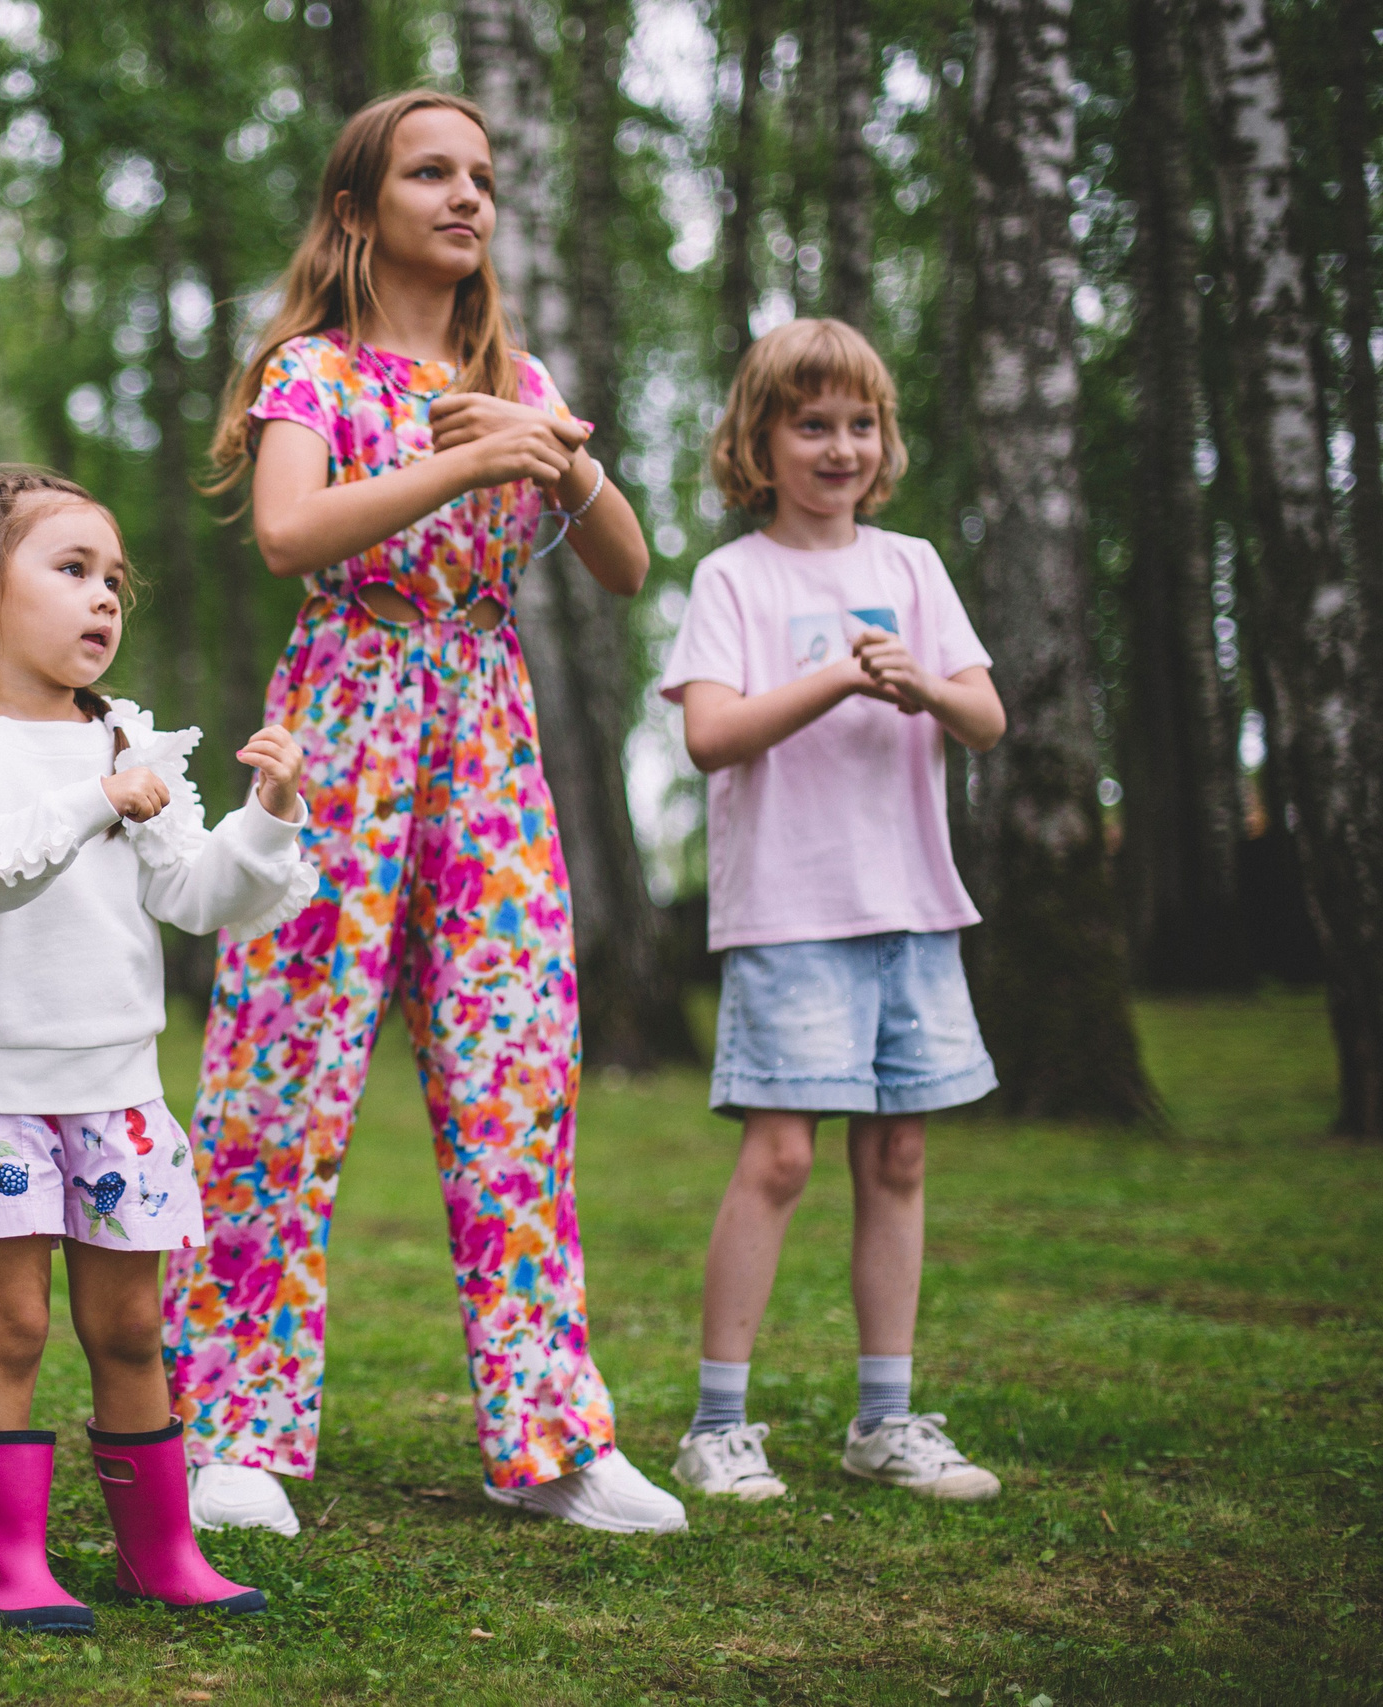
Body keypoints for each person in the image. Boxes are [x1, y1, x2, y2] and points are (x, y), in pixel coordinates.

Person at [166, 90, 685, 1538]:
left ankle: (553, 1439)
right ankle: (234, 1430)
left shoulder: (518, 372)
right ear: (358, 209)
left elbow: (630, 564)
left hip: (487, 731)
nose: (469, 197)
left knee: (517, 1070)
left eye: (484, 177)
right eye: (432, 172)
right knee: (283, 1073)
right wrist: (463, 457)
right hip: (340, 723)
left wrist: (550, 443)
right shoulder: (312, 370)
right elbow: (288, 533)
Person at [0, 466, 317, 1633]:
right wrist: (90, 802)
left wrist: (266, 819)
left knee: (128, 1327)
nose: (104, 598)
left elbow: (196, 893)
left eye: (114, 578)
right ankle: (6, 1565)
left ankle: (160, 1554)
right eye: (71, 570)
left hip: (114, 1092)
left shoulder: (129, 736)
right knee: (11, 1326)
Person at [658, 315, 1007, 1506]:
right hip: (787, 914)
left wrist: (924, 686)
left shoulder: (910, 566)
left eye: (860, 424)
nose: (839, 446)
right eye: (811, 424)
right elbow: (709, 736)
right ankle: (717, 1424)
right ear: (758, 441)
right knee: (780, 1159)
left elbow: (986, 717)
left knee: (899, 1154)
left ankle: (888, 1419)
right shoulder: (732, 578)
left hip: (913, 904)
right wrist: (838, 677)